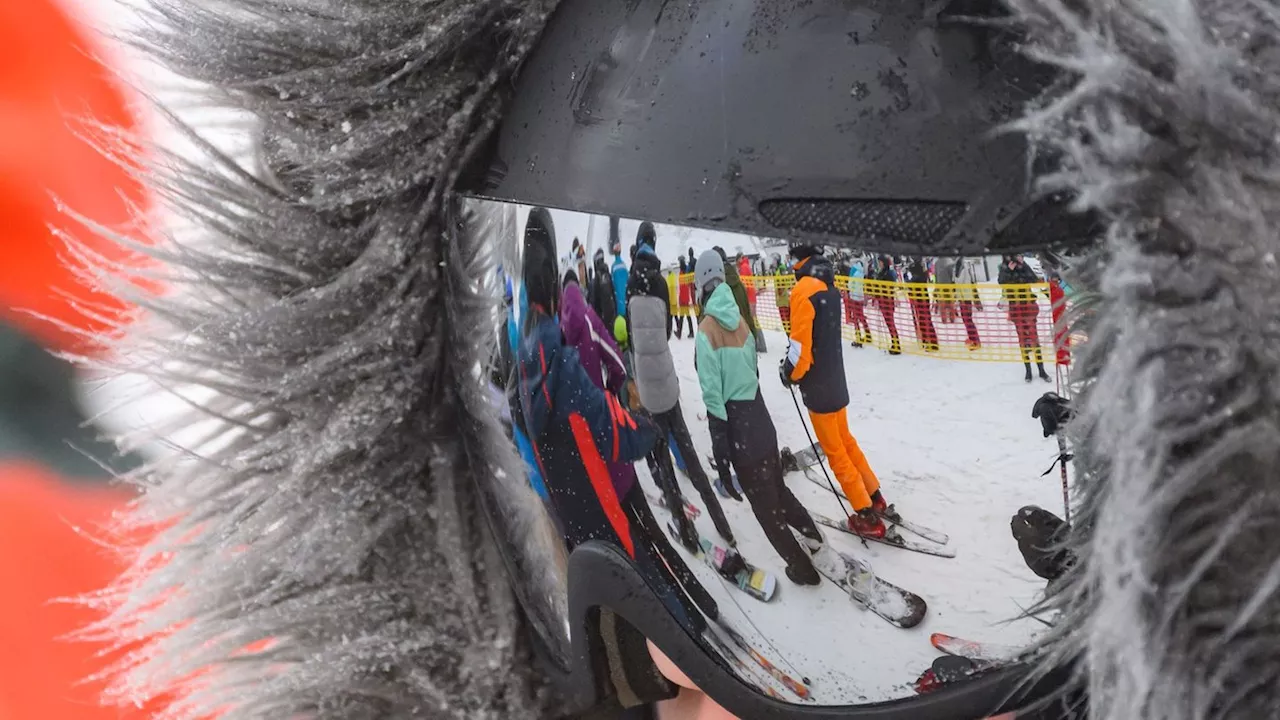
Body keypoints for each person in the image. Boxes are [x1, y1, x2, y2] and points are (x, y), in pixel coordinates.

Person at [693, 250, 822, 585]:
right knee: (777, 489)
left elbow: (713, 397)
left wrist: (722, 457)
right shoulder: (739, 320)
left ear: (700, 285)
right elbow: (752, 369)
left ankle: (803, 569)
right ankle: (813, 537)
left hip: (739, 430)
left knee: (766, 511)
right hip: (761, 418)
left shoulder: (706, 330)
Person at [626, 224, 735, 549]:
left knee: (663, 464)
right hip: (668, 381)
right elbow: (669, 329)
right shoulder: (660, 281)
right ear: (655, 245)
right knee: (687, 450)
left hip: (646, 386)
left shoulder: (630, 284)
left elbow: (630, 337)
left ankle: (684, 530)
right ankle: (723, 525)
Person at [781, 244, 890, 538]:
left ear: (798, 260)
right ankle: (874, 494)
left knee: (835, 452)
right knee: (847, 441)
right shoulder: (828, 284)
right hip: (836, 379)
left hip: (818, 385)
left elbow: (801, 348)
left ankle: (865, 515)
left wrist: (789, 372)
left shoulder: (803, 290)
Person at [999, 253, 1051, 383]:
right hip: (1016, 310)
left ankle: (1042, 370)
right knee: (1023, 341)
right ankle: (1028, 371)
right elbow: (1001, 282)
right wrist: (1008, 271)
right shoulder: (1004, 267)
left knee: (1035, 339)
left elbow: (1033, 279)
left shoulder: (1024, 266)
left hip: (1028, 308)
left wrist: (1023, 265)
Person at [868, 255, 903, 355]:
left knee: (890, 322)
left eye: (880, 262)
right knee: (889, 323)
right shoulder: (881, 273)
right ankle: (894, 343)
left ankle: (896, 344)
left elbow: (889, 285)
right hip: (882, 299)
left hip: (887, 300)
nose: (879, 264)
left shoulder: (888, 273)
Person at [906, 256, 939, 351]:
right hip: (917, 297)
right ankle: (925, 340)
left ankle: (932, 342)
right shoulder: (917, 270)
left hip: (922, 297)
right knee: (921, 319)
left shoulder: (920, 271)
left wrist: (911, 280)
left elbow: (919, 279)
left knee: (926, 319)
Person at [953, 256, 984, 350]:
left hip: (965, 298)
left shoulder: (964, 270)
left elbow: (962, 283)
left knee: (968, 320)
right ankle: (972, 338)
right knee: (966, 320)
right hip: (961, 298)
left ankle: (975, 340)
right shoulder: (956, 270)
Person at [845, 253, 872, 347]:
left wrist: (849, 290)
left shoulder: (853, 270)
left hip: (854, 296)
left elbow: (850, 283)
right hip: (860, 296)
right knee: (860, 316)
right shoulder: (862, 271)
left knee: (856, 317)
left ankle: (858, 337)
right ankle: (868, 334)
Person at [589, 247, 618, 328]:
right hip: (611, 317)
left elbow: (594, 301)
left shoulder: (597, 278)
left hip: (602, 319)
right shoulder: (608, 275)